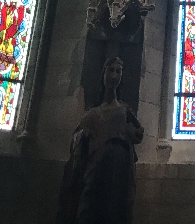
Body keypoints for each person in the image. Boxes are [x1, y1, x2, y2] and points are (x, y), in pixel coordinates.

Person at [57, 57, 144, 224]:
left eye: (118, 71)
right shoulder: (92, 114)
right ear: (103, 74)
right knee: (89, 208)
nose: (114, 76)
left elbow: (139, 132)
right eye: (111, 70)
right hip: (96, 168)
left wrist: (131, 133)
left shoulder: (124, 110)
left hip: (119, 170)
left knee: (116, 211)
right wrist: (83, 137)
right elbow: (76, 140)